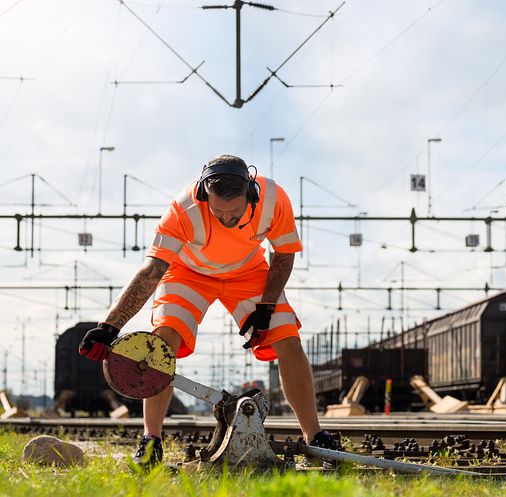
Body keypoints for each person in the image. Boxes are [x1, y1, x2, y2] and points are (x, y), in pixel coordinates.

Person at [78, 154, 337, 467]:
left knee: (288, 338)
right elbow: (152, 272)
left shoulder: (273, 199)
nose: (227, 219)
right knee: (162, 341)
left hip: (249, 273)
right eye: (218, 211)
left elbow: (283, 255)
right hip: (189, 273)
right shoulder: (182, 210)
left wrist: (267, 306)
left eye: (235, 212)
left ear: (251, 195)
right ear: (203, 195)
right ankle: (151, 439)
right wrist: (109, 326)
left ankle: (315, 436)